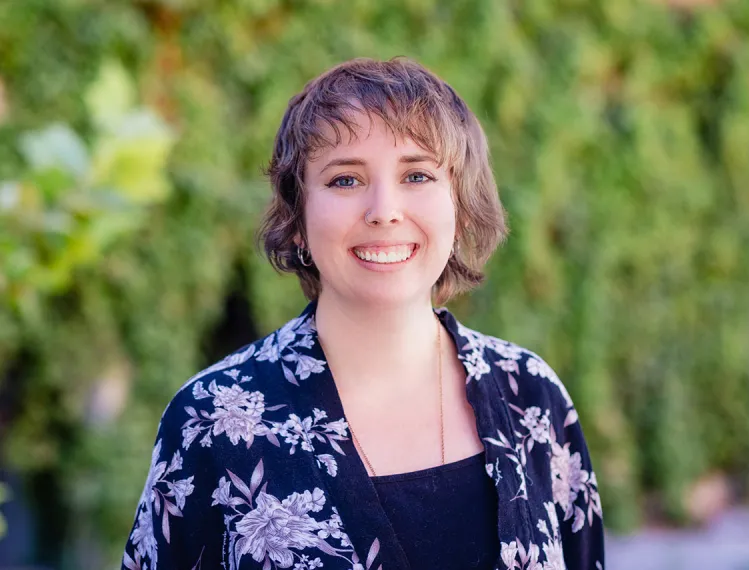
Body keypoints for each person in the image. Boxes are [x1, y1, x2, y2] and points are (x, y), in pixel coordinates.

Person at [121, 57, 604, 570]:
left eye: (417, 174)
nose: (384, 209)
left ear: (459, 208)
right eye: (345, 180)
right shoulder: (213, 422)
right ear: (298, 220)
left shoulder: (530, 397)